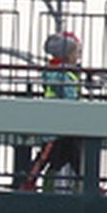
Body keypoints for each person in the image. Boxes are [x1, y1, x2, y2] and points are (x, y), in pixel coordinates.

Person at [20, 31, 85, 192]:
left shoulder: (59, 71)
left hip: (63, 124)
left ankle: (31, 182)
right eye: (75, 52)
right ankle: (29, 182)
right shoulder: (59, 73)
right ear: (67, 54)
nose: (77, 56)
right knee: (46, 156)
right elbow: (69, 97)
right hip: (57, 124)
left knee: (69, 157)